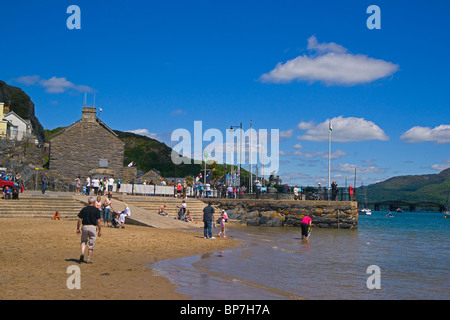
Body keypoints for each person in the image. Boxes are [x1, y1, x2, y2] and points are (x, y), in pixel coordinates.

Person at [76, 197, 102, 263]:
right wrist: (99, 230)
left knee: (83, 241)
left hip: (85, 226)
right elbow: (98, 221)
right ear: (94, 202)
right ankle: (89, 258)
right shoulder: (96, 210)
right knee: (91, 243)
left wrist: (78, 228)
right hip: (92, 227)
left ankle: (82, 252)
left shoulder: (84, 209)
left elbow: (79, 219)